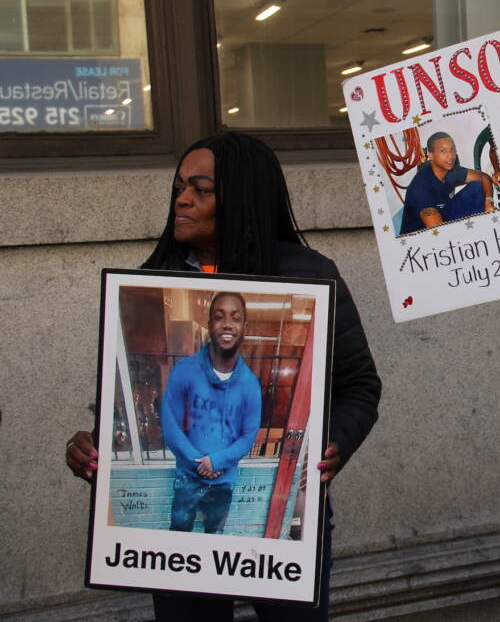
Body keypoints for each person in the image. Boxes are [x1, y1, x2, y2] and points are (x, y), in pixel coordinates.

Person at [65, 132, 382, 621]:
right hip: (181, 511)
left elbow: (360, 386)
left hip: (277, 529)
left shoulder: (309, 276)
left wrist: (333, 445)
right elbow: (137, 403)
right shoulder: (156, 276)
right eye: (177, 189)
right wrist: (95, 446)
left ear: (241, 197)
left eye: (200, 189)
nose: (182, 200)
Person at [162, 292, 262, 534]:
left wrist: (217, 461)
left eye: (235, 318)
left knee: (214, 539)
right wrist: (198, 463)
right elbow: (169, 424)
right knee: (178, 538)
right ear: (209, 325)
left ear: (243, 327)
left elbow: (248, 437)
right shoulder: (185, 370)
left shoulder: (250, 384)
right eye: (219, 317)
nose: (227, 324)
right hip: (187, 479)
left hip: (223, 482)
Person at [400, 131, 494, 234]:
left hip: (444, 215)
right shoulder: (421, 189)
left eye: (452, 149)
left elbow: (483, 177)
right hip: (422, 236)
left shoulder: (450, 169)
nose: (450, 155)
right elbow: (441, 235)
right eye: (443, 151)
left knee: (478, 187)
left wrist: (489, 201)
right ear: (431, 156)